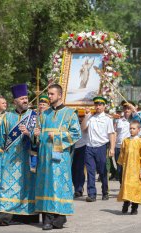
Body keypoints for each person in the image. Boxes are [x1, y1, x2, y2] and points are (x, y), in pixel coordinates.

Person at [33, 84, 81, 230]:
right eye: (48, 94)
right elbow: (39, 135)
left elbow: (76, 134)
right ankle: (47, 218)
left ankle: (59, 217)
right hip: (44, 156)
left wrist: (58, 136)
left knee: (58, 186)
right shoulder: (44, 114)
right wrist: (36, 134)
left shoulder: (70, 114)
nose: (49, 96)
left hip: (60, 157)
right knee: (46, 186)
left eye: (52, 94)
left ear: (60, 95)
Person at [0, 84, 39, 226]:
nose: (25, 100)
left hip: (28, 159)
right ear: (15, 101)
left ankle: (27, 216)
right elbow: (1, 139)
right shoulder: (7, 117)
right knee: (8, 187)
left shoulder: (34, 117)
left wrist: (29, 134)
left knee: (27, 188)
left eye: (26, 98)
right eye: (22, 98)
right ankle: (3, 216)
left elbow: (39, 139)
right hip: (10, 160)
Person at [81, 96, 115, 202]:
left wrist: (112, 148)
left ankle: (105, 191)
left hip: (101, 147)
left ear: (104, 106)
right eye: (96, 104)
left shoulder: (107, 119)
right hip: (89, 147)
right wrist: (86, 116)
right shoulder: (91, 117)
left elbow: (111, 134)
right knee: (90, 171)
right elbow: (83, 129)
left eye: (100, 105)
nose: (98, 106)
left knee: (102, 170)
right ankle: (91, 194)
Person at [117, 120, 141, 215]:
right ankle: (126, 203)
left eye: (133, 128)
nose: (131, 130)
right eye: (130, 128)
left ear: (138, 130)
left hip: (137, 170)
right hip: (127, 170)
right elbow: (122, 155)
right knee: (127, 187)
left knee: (136, 188)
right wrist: (120, 166)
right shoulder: (125, 141)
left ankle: (134, 207)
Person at [72, 113, 88, 198]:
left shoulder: (86, 120)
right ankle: (76, 187)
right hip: (72, 147)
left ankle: (79, 188)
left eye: (81, 116)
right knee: (73, 169)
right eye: (79, 116)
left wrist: (85, 117)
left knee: (80, 168)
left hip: (82, 146)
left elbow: (84, 128)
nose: (80, 117)